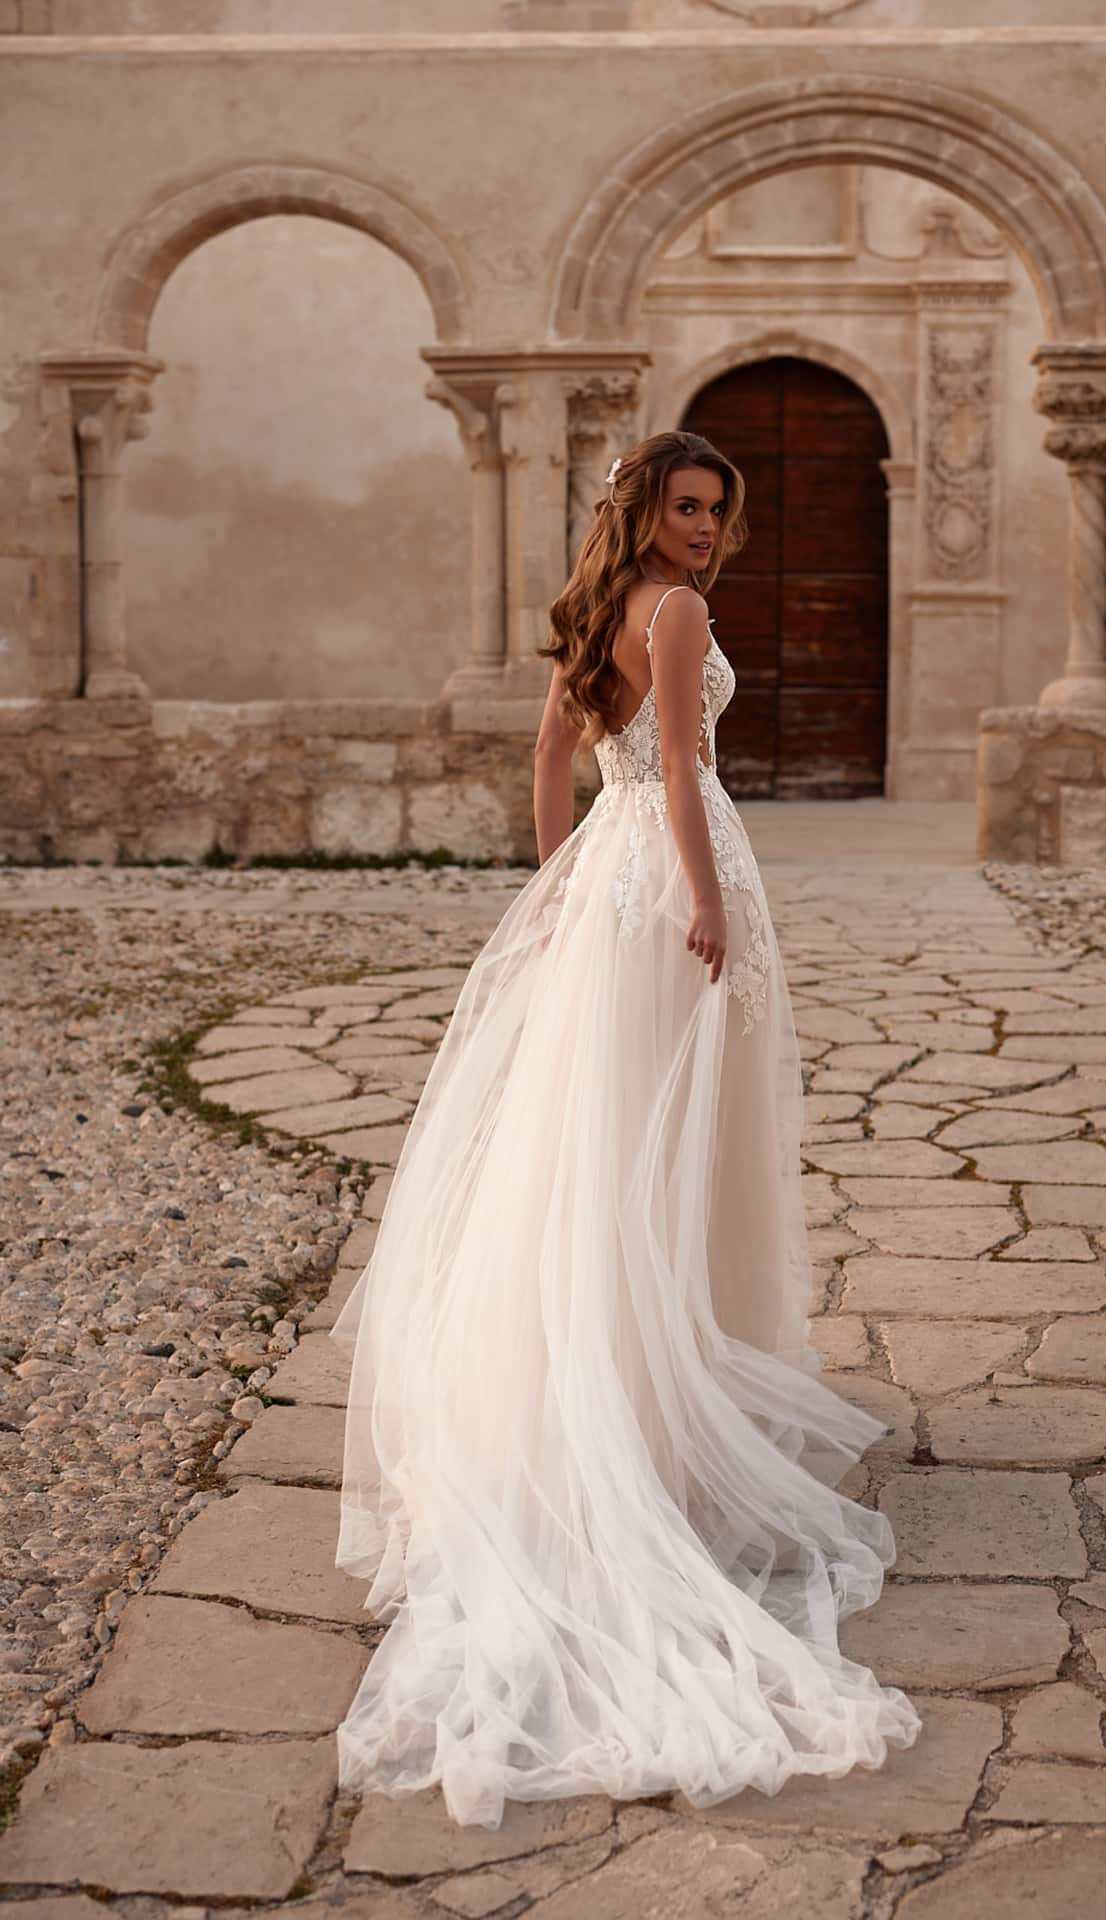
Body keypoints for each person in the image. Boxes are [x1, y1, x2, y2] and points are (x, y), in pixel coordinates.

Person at [328, 428, 921, 1831]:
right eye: (687, 504)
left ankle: (634, 1388)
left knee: (608, 1143)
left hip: (613, 877)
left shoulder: (602, 606)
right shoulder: (676, 611)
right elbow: (673, 756)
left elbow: (554, 757)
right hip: (667, 875)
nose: (707, 528)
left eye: (720, 510)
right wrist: (699, 896)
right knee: (662, 1141)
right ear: (645, 510)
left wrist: (560, 885)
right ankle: (650, 1409)